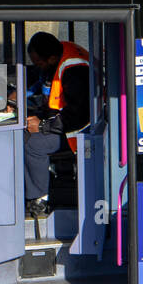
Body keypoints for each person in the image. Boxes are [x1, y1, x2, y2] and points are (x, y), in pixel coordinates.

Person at [20, 31, 90, 218]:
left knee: (32, 145)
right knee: (22, 134)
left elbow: (77, 116)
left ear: (51, 58)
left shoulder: (75, 70)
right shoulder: (58, 56)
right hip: (61, 123)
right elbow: (41, 84)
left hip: (79, 132)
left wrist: (42, 126)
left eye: (40, 63)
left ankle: (39, 200)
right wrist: (16, 99)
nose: (38, 67)